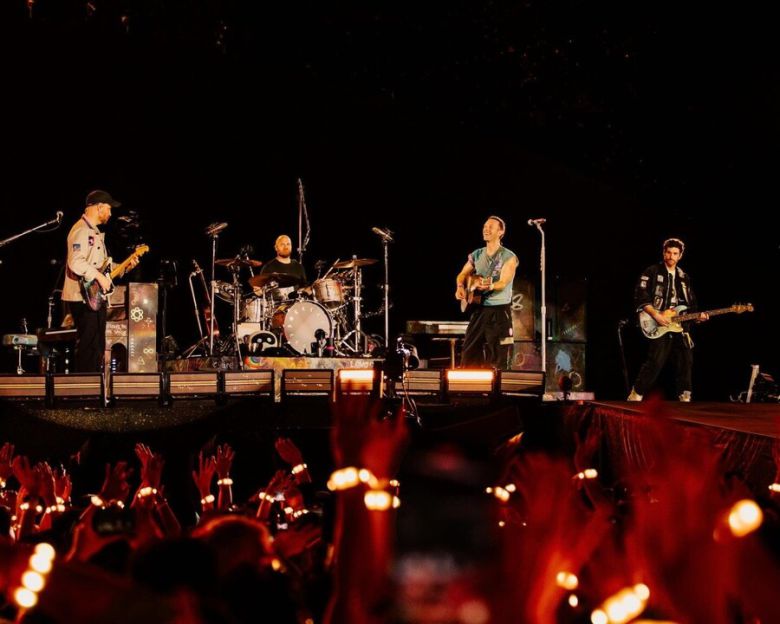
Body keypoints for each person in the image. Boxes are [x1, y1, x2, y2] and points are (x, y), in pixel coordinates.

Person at [62, 189, 135, 372]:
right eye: (108, 208)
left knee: (96, 345)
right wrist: (99, 276)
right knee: (89, 345)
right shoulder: (81, 230)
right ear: (99, 207)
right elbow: (75, 262)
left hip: (92, 296)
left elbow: (101, 267)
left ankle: (93, 382)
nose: (110, 213)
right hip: (82, 296)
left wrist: (125, 266)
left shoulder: (93, 232)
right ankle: (86, 384)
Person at [627, 238, 708, 402]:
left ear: (680, 256)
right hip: (658, 321)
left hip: (679, 324)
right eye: (669, 252)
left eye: (675, 253)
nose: (671, 256)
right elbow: (641, 295)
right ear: (664, 253)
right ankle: (637, 393)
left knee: (686, 360)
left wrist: (698, 317)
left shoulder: (684, 277)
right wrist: (656, 314)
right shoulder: (652, 271)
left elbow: (691, 304)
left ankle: (685, 395)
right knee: (655, 361)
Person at [455, 216, 518, 369]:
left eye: (490, 227)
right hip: (479, 310)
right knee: (469, 353)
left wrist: (490, 286)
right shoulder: (477, 254)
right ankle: (470, 383)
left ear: (501, 232)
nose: (486, 229)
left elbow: (503, 282)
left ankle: (498, 384)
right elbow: (462, 274)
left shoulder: (508, 256)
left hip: (499, 312)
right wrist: (460, 287)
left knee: (499, 358)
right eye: (485, 226)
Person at [255, 235, 308, 300]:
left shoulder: (298, 266)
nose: (286, 247)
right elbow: (262, 291)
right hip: (275, 305)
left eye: (288, 244)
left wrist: (310, 289)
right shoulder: (268, 267)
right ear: (276, 248)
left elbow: (304, 288)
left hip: (296, 304)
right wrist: (259, 292)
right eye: (282, 244)